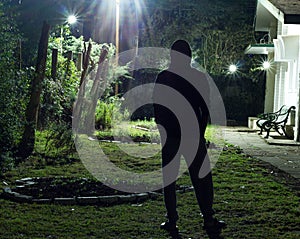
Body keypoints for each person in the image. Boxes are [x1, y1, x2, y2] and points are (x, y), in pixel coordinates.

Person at [153, 40, 226, 238]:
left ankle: (172, 219)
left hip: (172, 135)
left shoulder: (164, 77)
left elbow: (157, 108)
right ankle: (208, 217)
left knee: (170, 180)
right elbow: (205, 108)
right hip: (192, 133)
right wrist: (200, 133)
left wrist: (163, 132)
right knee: (202, 178)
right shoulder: (198, 77)